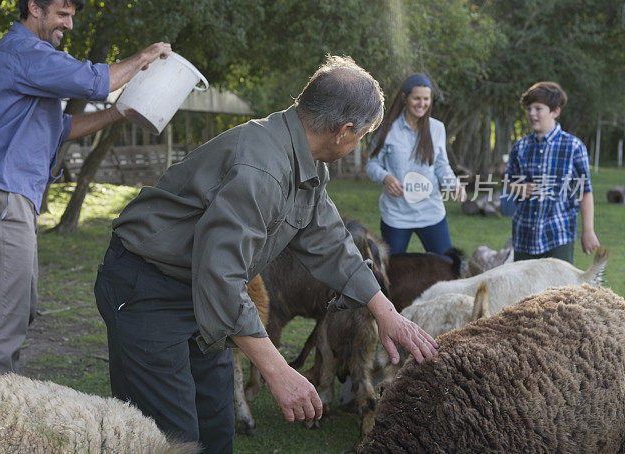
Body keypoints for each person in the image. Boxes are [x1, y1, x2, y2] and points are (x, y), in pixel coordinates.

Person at [94, 56, 438, 453]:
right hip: (148, 289)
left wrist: (384, 310)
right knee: (168, 437)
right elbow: (220, 275)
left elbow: (328, 238)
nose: (358, 142)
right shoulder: (263, 169)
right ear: (344, 131)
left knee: (215, 427)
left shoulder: (304, 159)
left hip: (199, 295)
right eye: (362, 135)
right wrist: (278, 371)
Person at [0, 0, 172, 373]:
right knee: (8, 315)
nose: (68, 25)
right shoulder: (24, 52)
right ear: (34, 8)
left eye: (71, 16)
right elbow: (92, 80)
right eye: (61, 14)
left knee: (22, 306)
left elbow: (61, 128)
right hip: (2, 197)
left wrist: (118, 113)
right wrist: (143, 58)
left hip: (11, 199)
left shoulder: (32, 64)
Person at [365, 73, 466, 255]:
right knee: (391, 273)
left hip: (431, 212)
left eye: (426, 99)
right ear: (405, 98)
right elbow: (372, 165)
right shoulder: (386, 129)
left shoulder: (437, 128)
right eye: (417, 98)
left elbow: (441, 165)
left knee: (447, 268)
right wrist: (385, 177)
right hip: (396, 216)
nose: (422, 104)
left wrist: (453, 185)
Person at [504, 81, 600, 263]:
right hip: (524, 236)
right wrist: (517, 188)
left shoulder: (573, 146)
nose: (532, 114)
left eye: (538, 109)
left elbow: (584, 191)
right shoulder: (519, 147)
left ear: (555, 111)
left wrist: (588, 231)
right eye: (529, 108)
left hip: (558, 237)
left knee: (558, 291)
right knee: (525, 291)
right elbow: (509, 182)